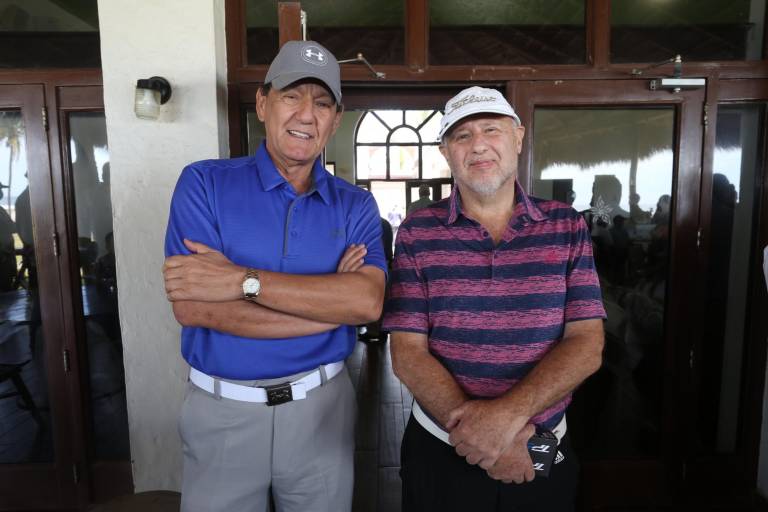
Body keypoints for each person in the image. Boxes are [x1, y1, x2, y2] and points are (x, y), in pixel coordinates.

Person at [162, 40, 387, 512]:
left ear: (336, 119)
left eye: (322, 103)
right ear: (263, 103)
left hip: (322, 407)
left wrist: (242, 282)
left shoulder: (356, 205)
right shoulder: (203, 183)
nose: (307, 115)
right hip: (222, 411)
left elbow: (366, 303)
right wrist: (331, 310)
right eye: (292, 96)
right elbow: (195, 307)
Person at [383, 86, 605, 511]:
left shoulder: (566, 226)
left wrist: (506, 421)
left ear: (518, 137)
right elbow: (407, 352)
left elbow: (587, 344)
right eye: (461, 136)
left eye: (491, 129)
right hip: (441, 447)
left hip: (538, 445)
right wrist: (480, 433)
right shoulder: (417, 231)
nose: (478, 144)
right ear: (446, 152)